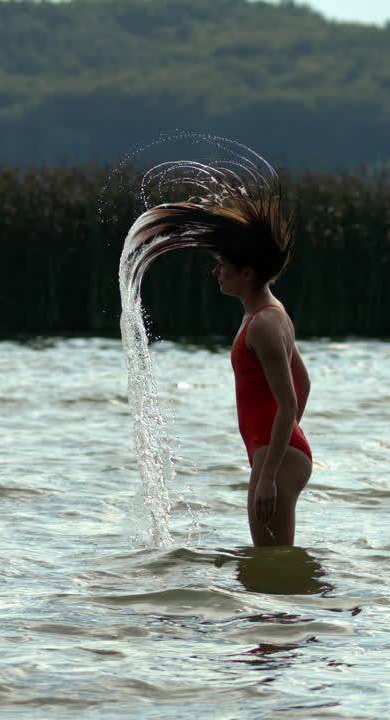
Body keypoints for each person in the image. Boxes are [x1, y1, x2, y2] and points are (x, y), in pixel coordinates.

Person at [128, 173, 312, 546]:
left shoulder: (263, 323)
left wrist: (268, 472)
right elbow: (304, 383)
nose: (215, 273)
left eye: (221, 266)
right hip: (278, 453)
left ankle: (324, 603)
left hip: (275, 461)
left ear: (246, 273)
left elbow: (289, 398)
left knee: (270, 562)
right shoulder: (270, 312)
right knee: (269, 566)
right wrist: (283, 441)